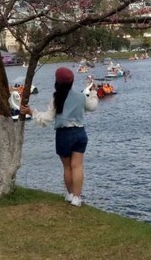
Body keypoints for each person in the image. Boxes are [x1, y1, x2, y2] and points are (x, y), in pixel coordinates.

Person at [19, 67, 98, 207]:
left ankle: (70, 195)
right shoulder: (80, 97)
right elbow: (92, 106)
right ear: (72, 81)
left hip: (63, 135)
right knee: (77, 166)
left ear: (57, 82)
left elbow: (46, 119)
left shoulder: (56, 98)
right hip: (80, 133)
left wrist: (32, 112)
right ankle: (77, 198)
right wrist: (93, 92)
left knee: (67, 167)